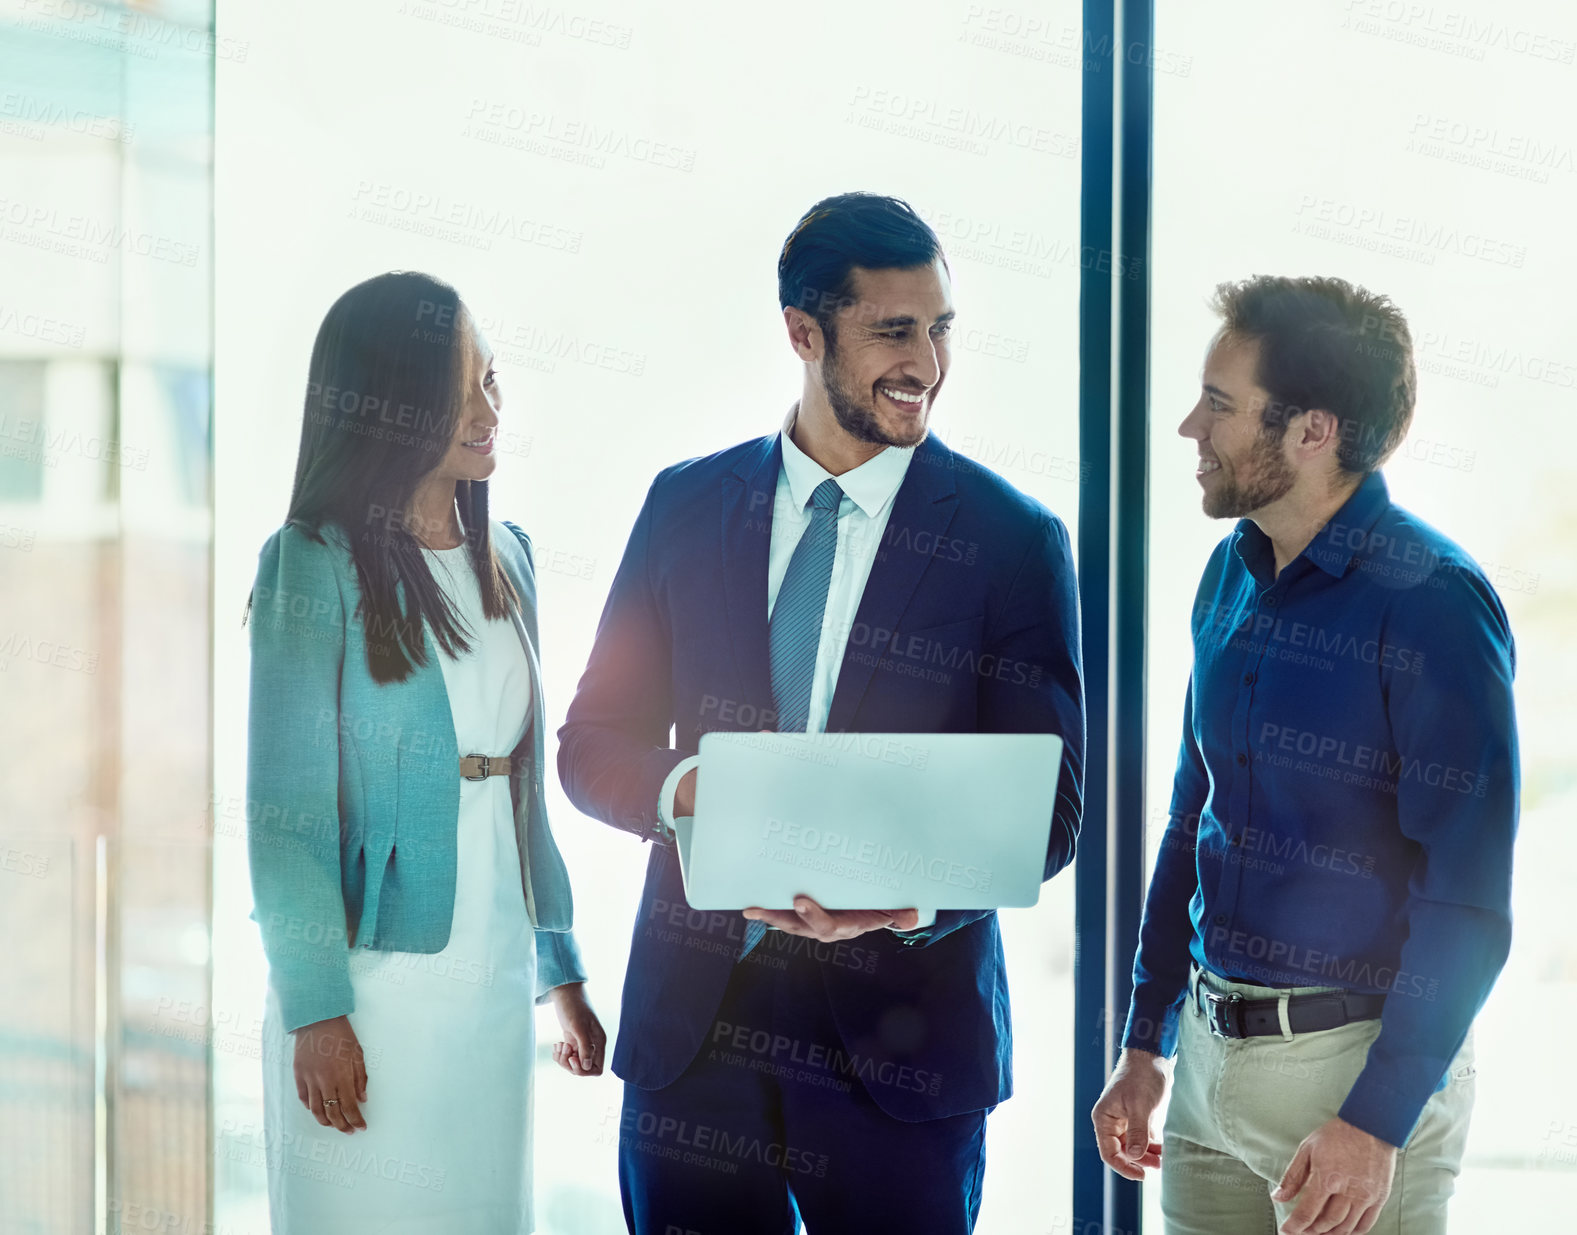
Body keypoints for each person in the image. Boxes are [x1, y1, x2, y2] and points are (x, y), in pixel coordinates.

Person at [557, 192, 1085, 1234]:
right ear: (802, 334)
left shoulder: (1010, 540)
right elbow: (589, 745)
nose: (924, 363)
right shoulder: (683, 507)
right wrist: (687, 789)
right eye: (893, 331)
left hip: (903, 1046)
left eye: (939, 329)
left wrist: (904, 899)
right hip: (694, 1035)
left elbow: (1050, 814)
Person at [1091, 275, 1519, 1235]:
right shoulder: (1229, 569)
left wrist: (1373, 1123)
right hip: (1204, 1065)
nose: (1188, 427)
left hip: (1350, 1078)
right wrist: (1146, 1039)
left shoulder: (1433, 604)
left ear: (1312, 431)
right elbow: (1191, 817)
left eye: (1220, 404)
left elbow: (1468, 900)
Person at [244, 270, 605, 1234]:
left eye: (491, 380)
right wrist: (315, 1008)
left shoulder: (512, 556)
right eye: (459, 388)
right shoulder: (308, 562)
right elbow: (284, 816)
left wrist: (560, 975)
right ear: (392, 401)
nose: (489, 408)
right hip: (368, 982)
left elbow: (527, 797)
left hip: (490, 980)